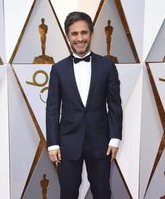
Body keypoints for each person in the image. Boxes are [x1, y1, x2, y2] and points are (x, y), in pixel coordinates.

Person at [46, 11, 122, 199]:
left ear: (91, 34)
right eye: (74, 34)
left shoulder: (107, 66)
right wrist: (52, 143)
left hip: (100, 142)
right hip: (67, 143)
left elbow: (114, 105)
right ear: (68, 36)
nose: (80, 38)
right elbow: (53, 108)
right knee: (68, 193)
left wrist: (115, 138)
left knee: (103, 192)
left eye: (84, 33)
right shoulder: (58, 69)